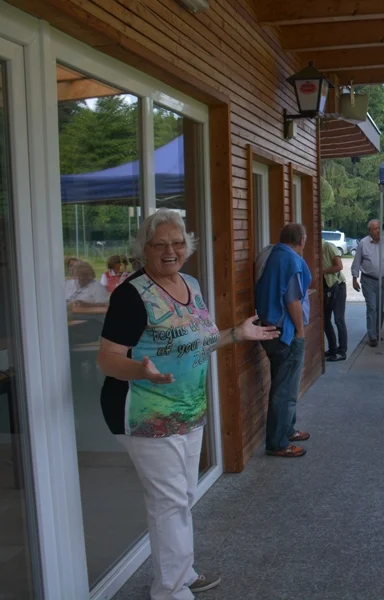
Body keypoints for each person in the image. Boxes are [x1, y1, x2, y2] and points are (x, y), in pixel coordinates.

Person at [96, 209, 279, 599]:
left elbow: (200, 340)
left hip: (188, 407)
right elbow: (107, 358)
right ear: (143, 249)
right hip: (144, 410)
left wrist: (237, 332)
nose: (170, 251)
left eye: (177, 243)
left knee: (182, 496)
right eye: (159, 244)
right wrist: (141, 370)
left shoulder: (191, 284)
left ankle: (181, 571)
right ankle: (171, 589)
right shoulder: (132, 295)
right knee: (169, 499)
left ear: (187, 247)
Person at [255, 223, 313, 458]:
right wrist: (300, 331)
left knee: (286, 386)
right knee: (284, 390)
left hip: (268, 328)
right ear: (302, 240)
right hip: (284, 332)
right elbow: (292, 300)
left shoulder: (270, 254)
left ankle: (287, 429)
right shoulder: (290, 260)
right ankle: (278, 443)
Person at [351, 219, 384, 347]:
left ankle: (377, 332)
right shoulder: (363, 243)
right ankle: (372, 336)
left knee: (379, 308)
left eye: (379, 228)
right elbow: (357, 261)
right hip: (368, 280)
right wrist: (354, 278)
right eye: (375, 228)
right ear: (369, 231)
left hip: (382, 279)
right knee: (372, 307)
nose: (377, 231)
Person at [322, 238, 347, 362]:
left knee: (339, 320)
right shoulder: (313, 250)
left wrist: (323, 271)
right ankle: (332, 349)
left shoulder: (328, 246)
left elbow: (339, 266)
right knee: (325, 320)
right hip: (326, 287)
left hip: (337, 286)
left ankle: (342, 351)